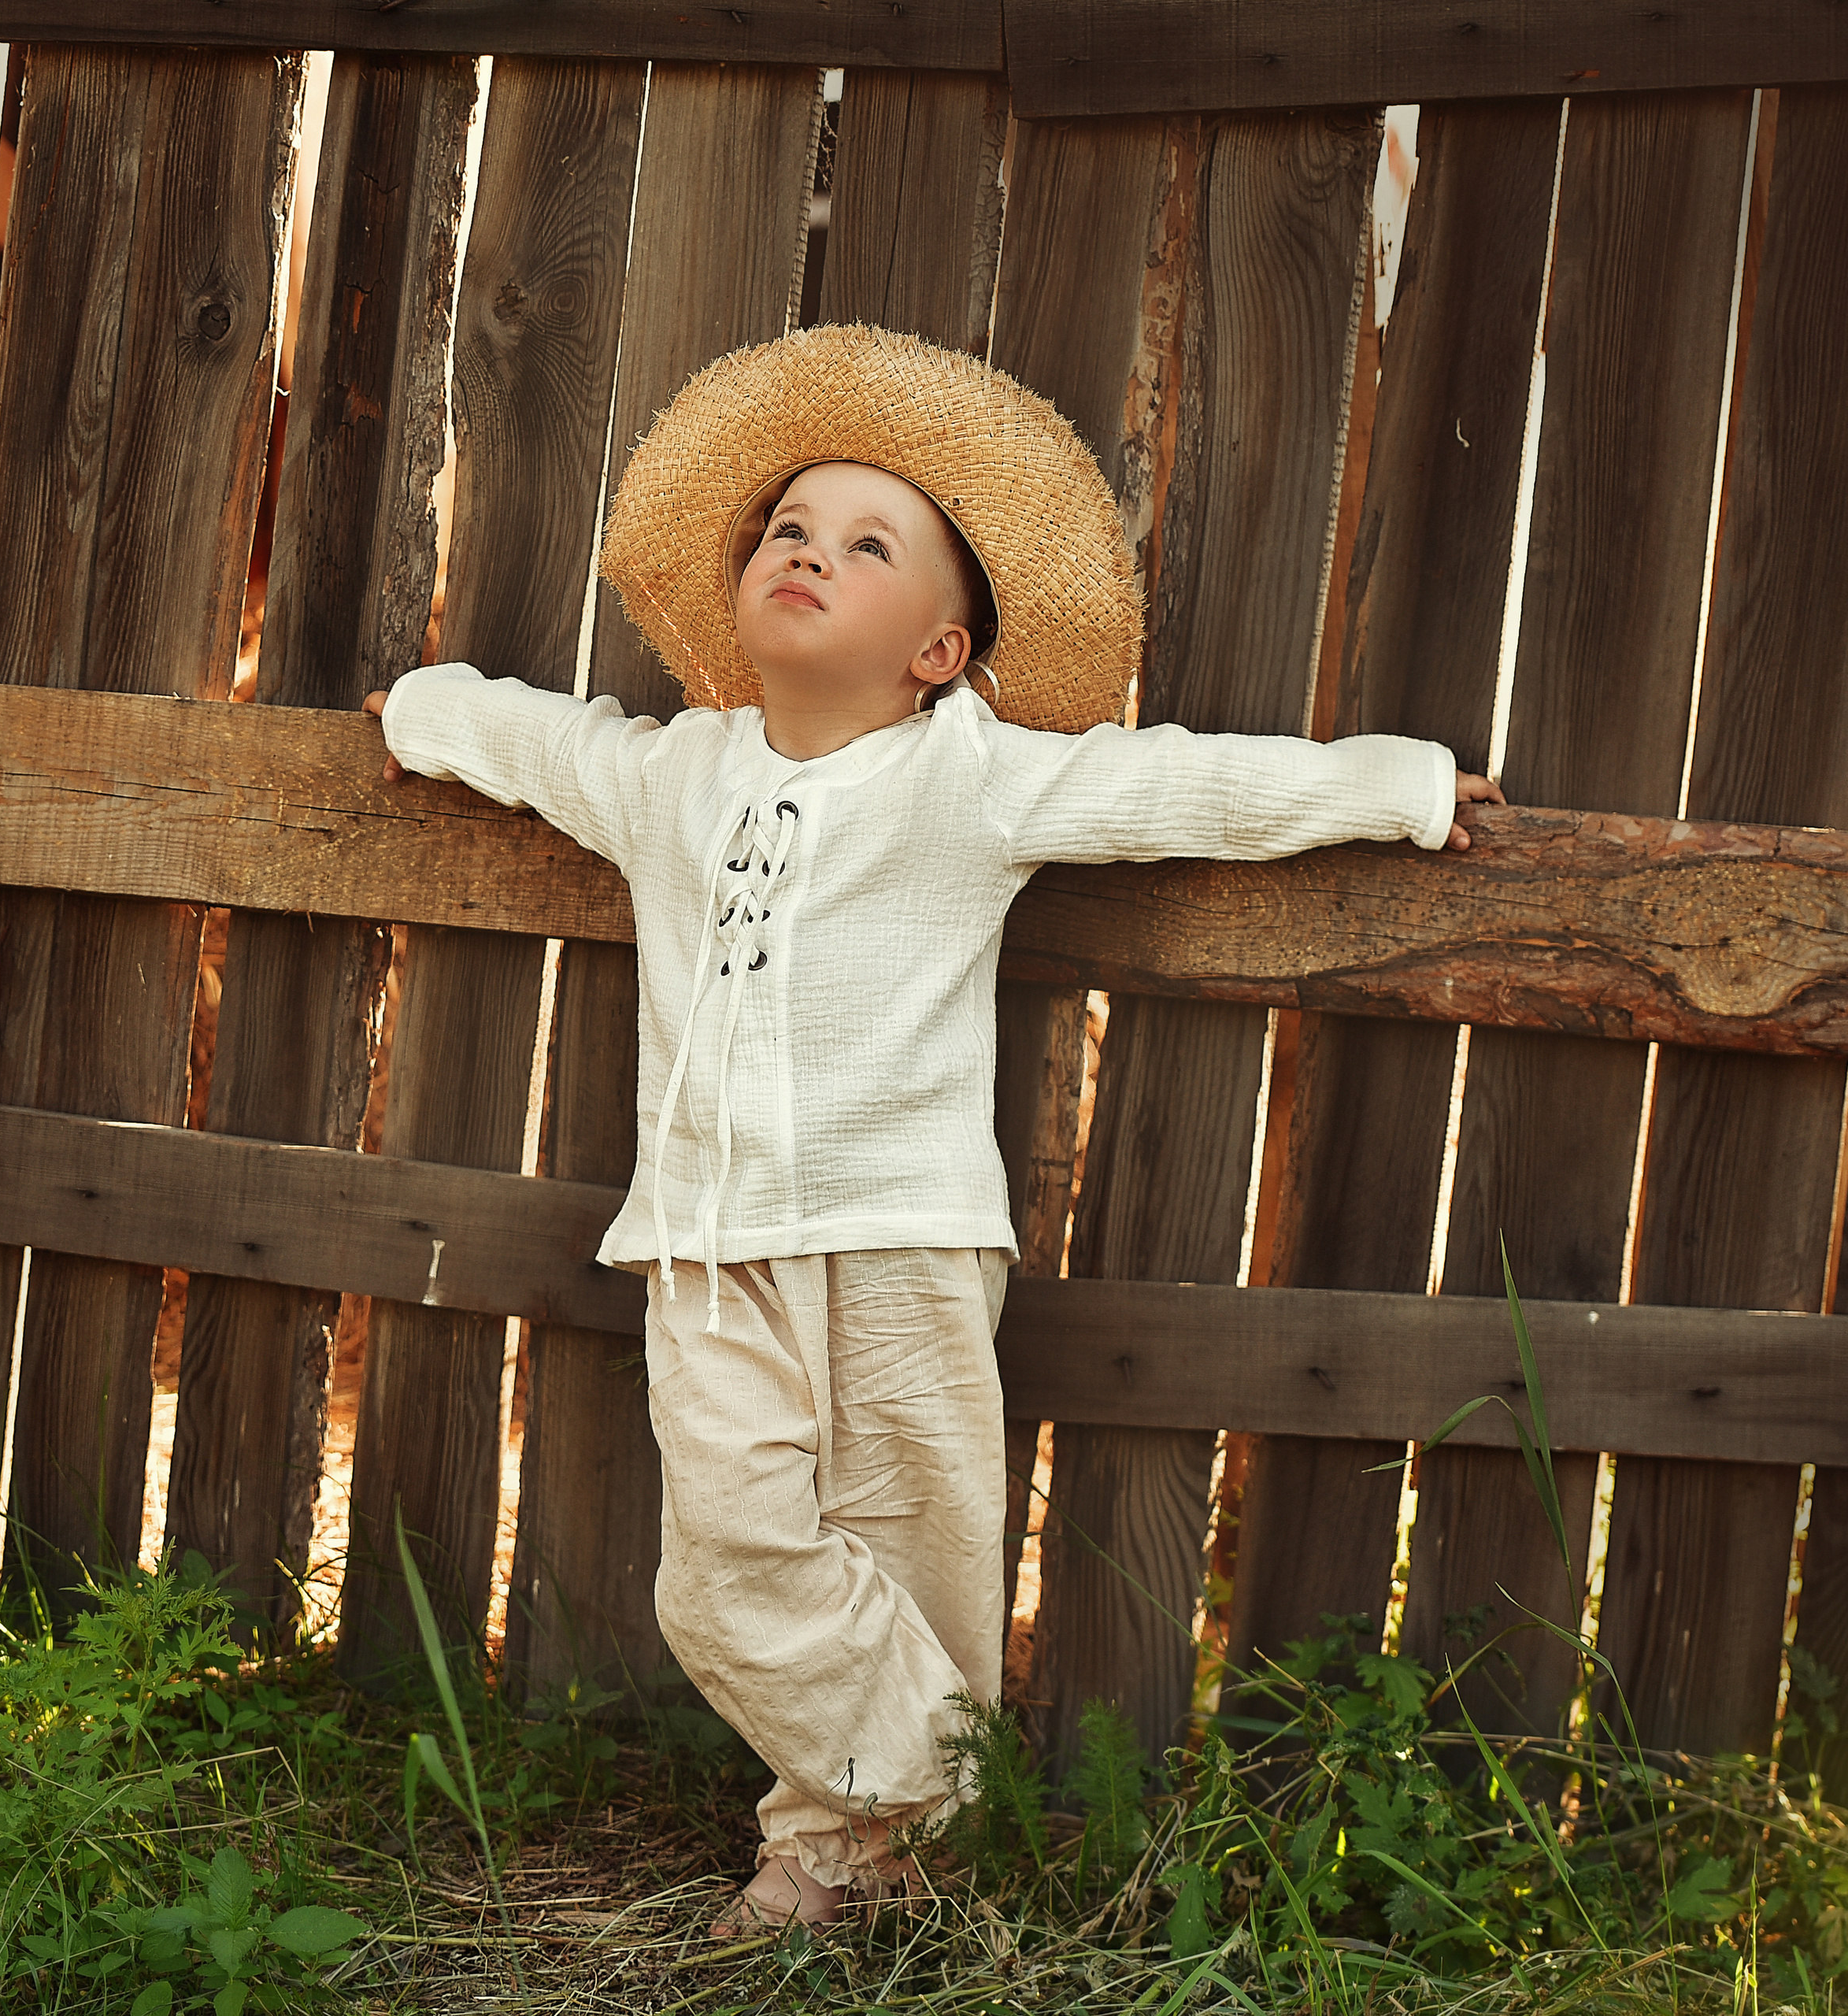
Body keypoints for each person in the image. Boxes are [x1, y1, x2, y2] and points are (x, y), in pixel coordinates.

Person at [364, 324, 1502, 1935]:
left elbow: (1183, 791)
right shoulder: (672, 773)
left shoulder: (968, 780)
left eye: (864, 542)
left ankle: (833, 1852)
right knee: (727, 1567)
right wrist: (417, 704)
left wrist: (1399, 787)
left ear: (937, 650)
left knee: (917, 1546)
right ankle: (946, 1793)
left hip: (902, 1233)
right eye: (786, 531)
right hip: (702, 1247)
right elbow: (527, 738)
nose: (808, 551)